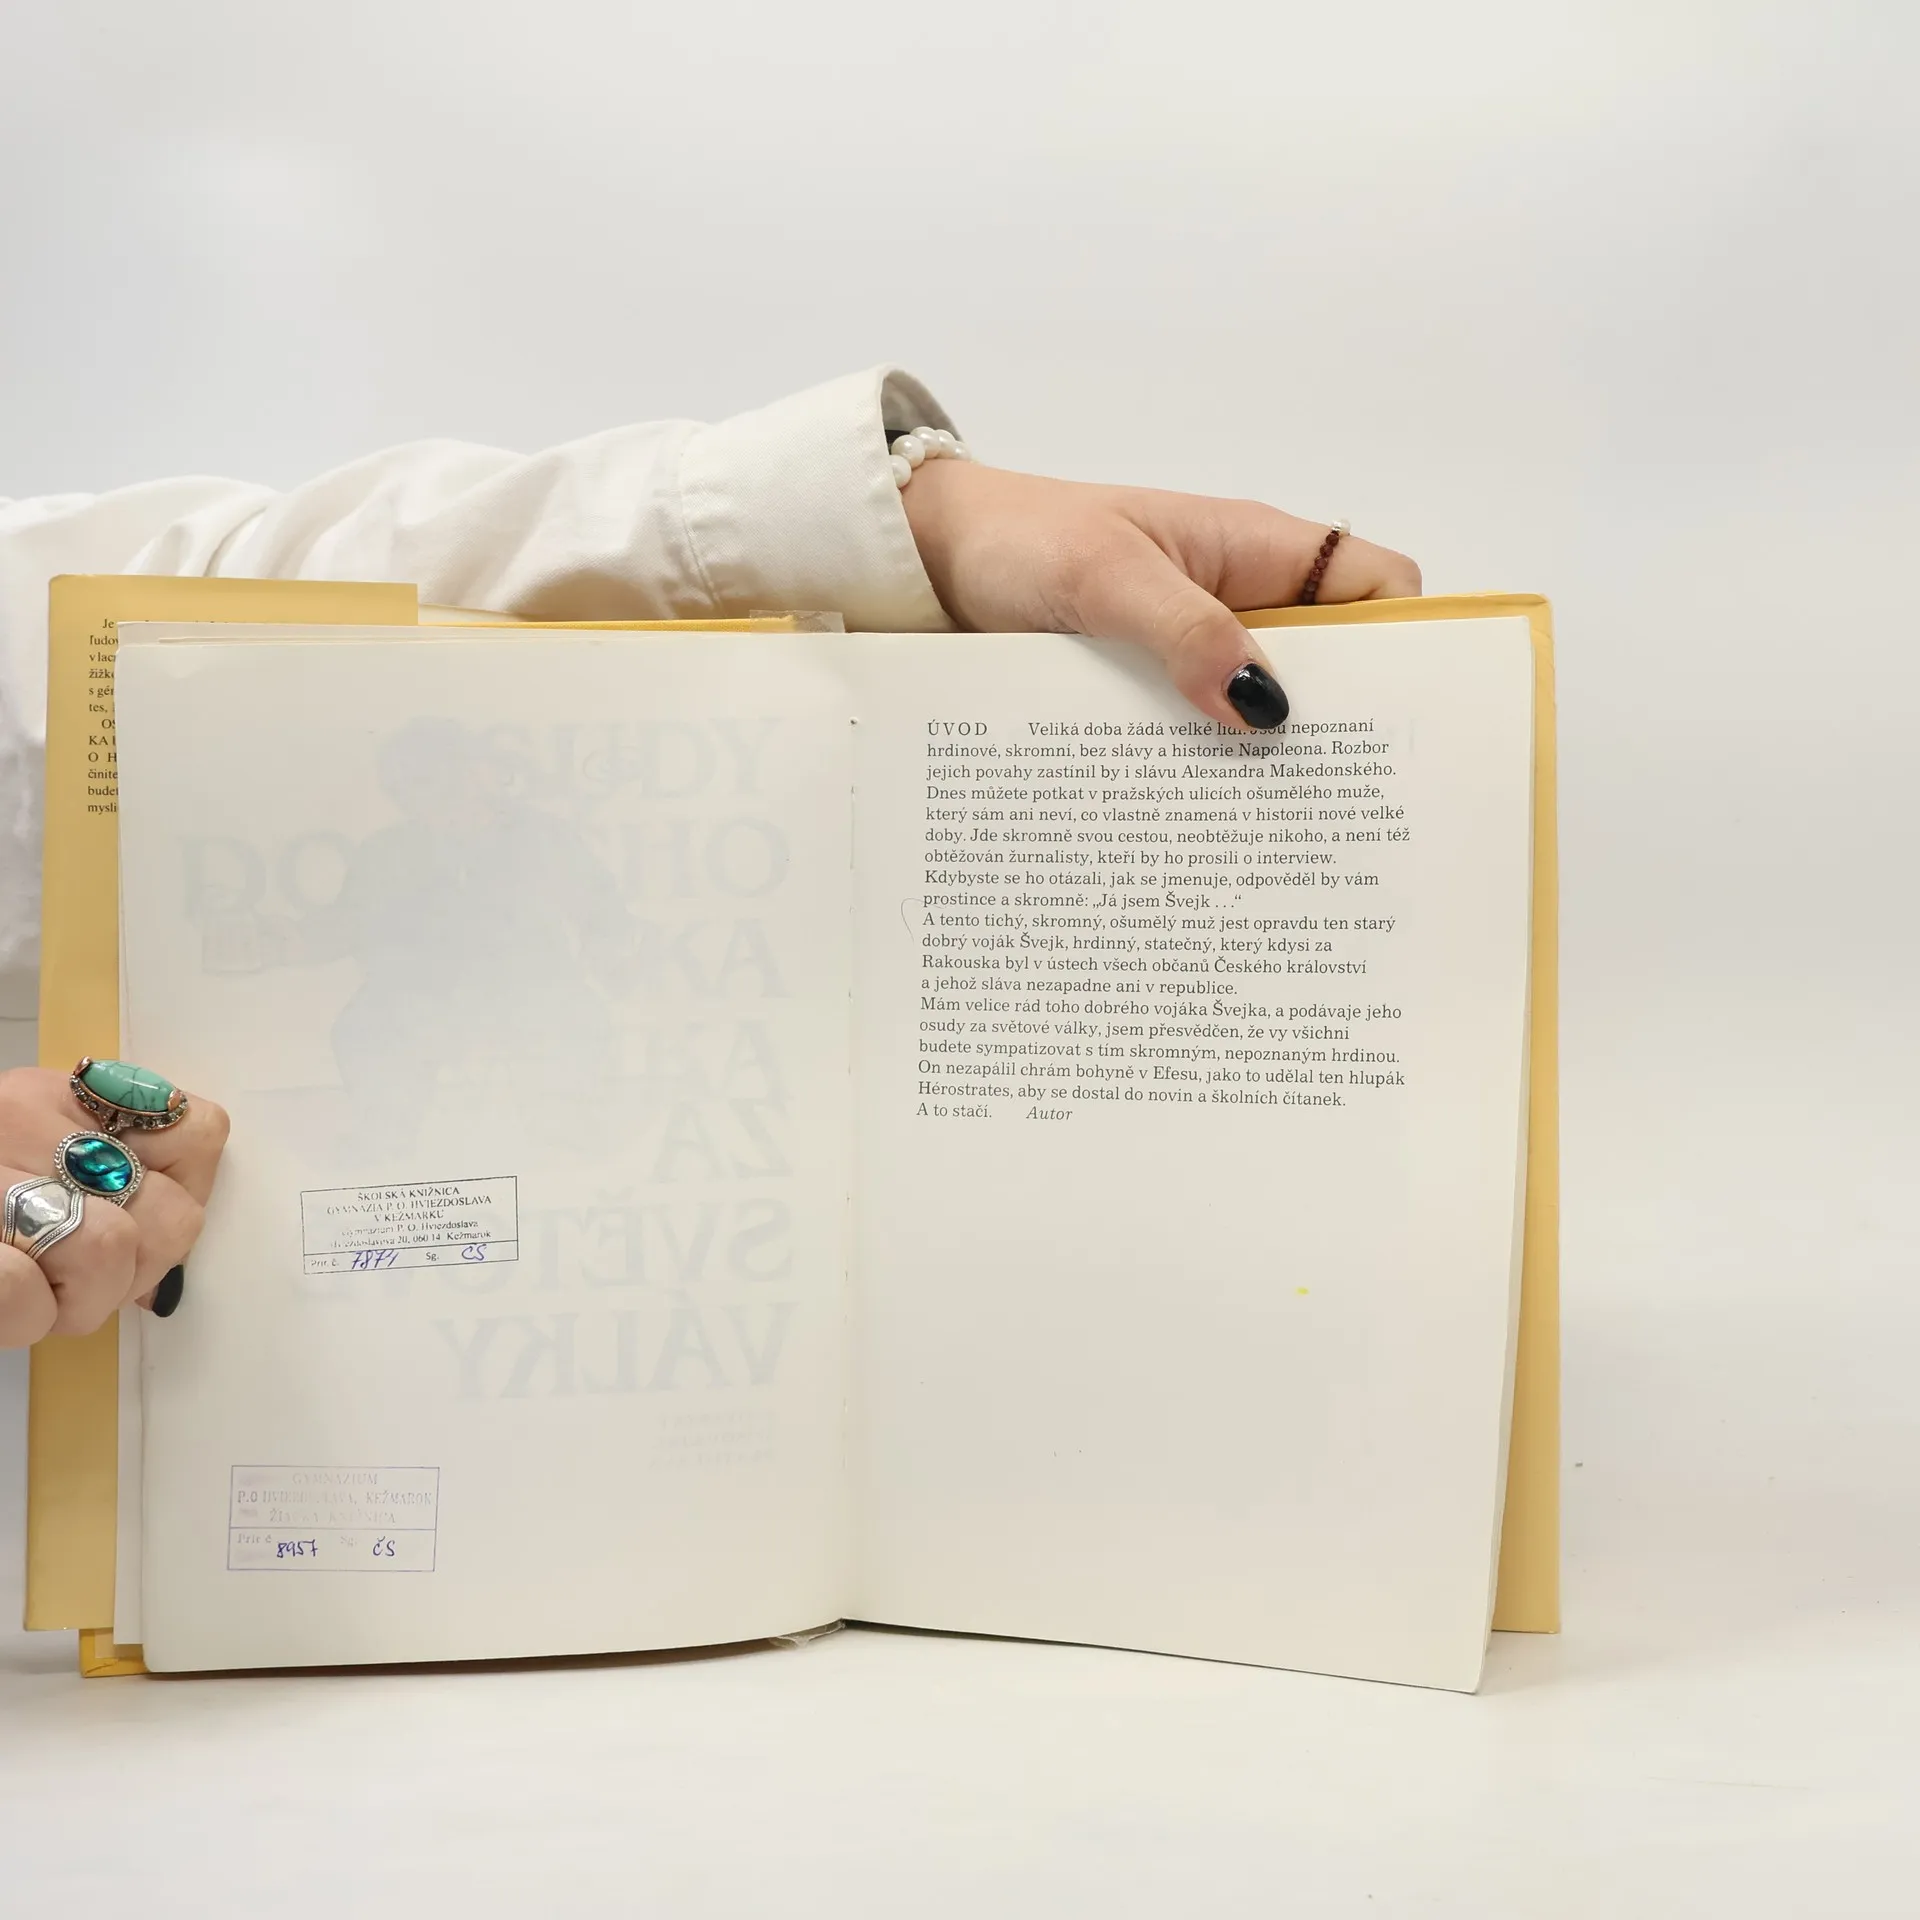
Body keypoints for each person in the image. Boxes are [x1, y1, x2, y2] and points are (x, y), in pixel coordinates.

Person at [0, 366, 1420, 1348]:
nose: (452, 800)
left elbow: (183, 610)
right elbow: (354, 928)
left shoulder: (542, 843)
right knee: (392, 1064)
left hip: (533, 1024)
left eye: (460, 780)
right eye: (428, 786)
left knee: (582, 1108)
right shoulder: (401, 867)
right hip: (392, 1054)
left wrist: (909, 525)